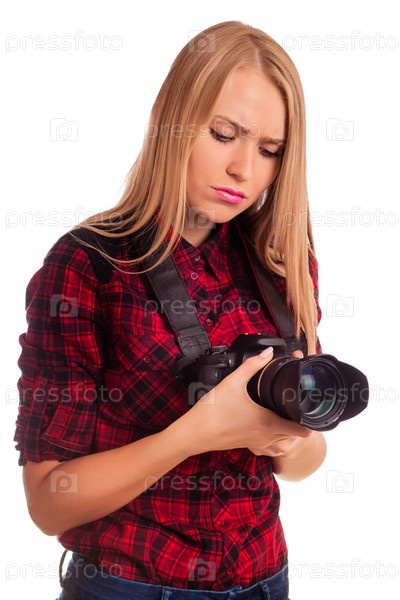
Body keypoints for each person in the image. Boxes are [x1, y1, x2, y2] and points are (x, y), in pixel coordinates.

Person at [15, 20, 327, 600]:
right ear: (172, 121)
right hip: (128, 585)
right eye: (224, 134)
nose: (244, 170)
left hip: (267, 578)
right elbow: (48, 501)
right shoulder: (88, 265)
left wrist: (287, 438)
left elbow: (306, 461)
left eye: (269, 150)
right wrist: (195, 434)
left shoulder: (281, 261)